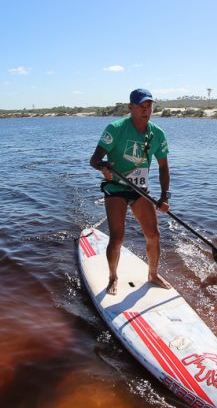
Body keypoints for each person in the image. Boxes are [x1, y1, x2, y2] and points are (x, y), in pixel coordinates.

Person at [89, 88, 172, 295]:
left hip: (140, 189)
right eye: (141, 106)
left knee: (154, 235)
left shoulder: (157, 134)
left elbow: (163, 166)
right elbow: (94, 160)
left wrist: (164, 195)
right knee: (117, 237)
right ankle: (113, 277)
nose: (146, 110)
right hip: (116, 186)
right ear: (130, 107)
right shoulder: (116, 128)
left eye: (149, 106)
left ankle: (152, 274)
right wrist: (104, 168)